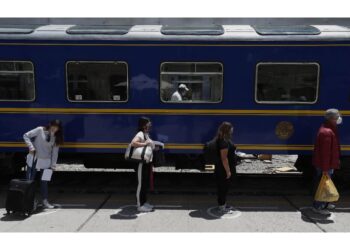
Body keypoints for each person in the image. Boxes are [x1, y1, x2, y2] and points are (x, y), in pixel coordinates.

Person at [23, 119, 64, 209]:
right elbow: (26, 135)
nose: (54, 128)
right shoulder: (40, 130)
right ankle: (29, 201)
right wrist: (31, 147)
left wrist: (53, 165)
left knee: (44, 183)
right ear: (50, 125)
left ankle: (45, 201)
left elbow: (55, 153)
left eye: (57, 128)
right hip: (34, 160)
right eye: (53, 126)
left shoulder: (56, 137)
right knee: (30, 182)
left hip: (46, 163)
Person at [312, 109, 342, 216]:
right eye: (337, 117)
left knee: (326, 184)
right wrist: (325, 169)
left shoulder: (329, 129)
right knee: (323, 185)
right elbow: (325, 153)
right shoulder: (327, 132)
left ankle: (326, 202)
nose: (339, 119)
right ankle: (318, 206)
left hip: (327, 164)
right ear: (331, 119)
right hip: (325, 165)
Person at [131, 117, 155, 212]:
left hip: (146, 162)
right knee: (141, 184)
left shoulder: (146, 134)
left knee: (145, 183)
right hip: (140, 163)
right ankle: (139, 205)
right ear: (144, 125)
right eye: (148, 123)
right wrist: (145, 144)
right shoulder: (140, 133)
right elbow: (133, 143)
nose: (150, 125)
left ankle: (144, 202)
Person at [214, 122, 237, 213]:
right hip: (223, 169)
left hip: (222, 168)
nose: (232, 130)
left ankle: (223, 204)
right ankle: (222, 207)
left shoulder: (223, 139)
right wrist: (228, 171)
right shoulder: (223, 141)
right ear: (227, 130)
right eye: (231, 129)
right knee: (223, 187)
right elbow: (224, 158)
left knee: (224, 187)